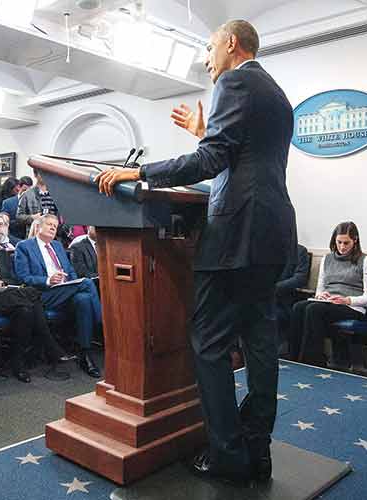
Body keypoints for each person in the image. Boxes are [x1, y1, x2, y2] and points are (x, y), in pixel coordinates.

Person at [96, 20, 296, 484]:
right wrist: (207, 132)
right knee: (261, 344)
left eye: (208, 48)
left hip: (235, 235)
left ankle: (227, 454)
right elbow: (240, 155)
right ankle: (256, 449)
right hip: (271, 230)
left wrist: (138, 172)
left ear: (231, 43)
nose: (206, 59)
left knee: (208, 343)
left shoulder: (234, 79)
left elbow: (212, 161)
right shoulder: (276, 93)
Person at [0, 215, 67, 383]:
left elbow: (12, 279)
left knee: (25, 311)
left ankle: (18, 362)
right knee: (32, 294)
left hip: (6, 296)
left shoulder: (1, 253)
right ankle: (49, 343)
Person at [14, 214, 102, 378]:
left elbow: (71, 271)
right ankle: (101, 323)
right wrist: (48, 279)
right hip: (43, 294)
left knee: (83, 299)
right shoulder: (24, 246)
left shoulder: (58, 245)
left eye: (55, 225)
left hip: (65, 290)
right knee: (88, 283)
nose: (54, 228)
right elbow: (23, 277)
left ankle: (85, 353)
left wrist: (69, 280)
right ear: (38, 226)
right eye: (49, 224)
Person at [289, 222, 367, 367]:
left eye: (346, 243)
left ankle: (313, 361)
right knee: (298, 307)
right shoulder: (327, 259)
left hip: (352, 307)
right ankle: (294, 359)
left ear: (355, 240)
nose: (342, 247)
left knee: (314, 310)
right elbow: (320, 288)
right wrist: (320, 295)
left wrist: (347, 300)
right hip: (328, 303)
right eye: (339, 242)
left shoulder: (365, 260)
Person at [275, 244, 310, 354]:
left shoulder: (300, 251)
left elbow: (300, 278)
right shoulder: (265, 249)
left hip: (284, 301)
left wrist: (274, 288)